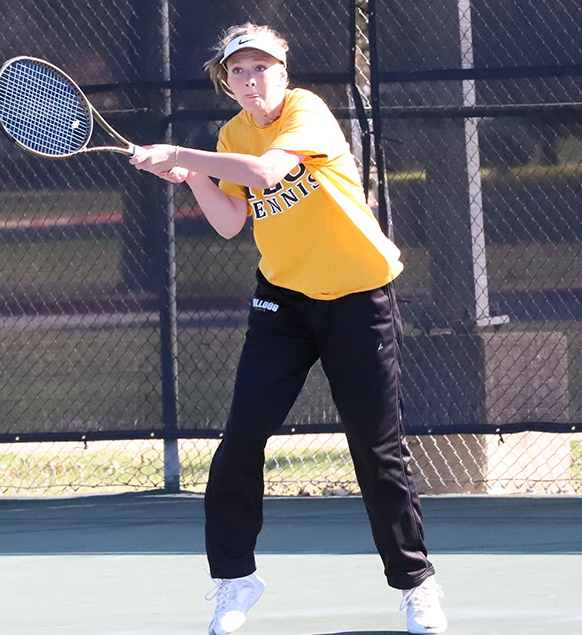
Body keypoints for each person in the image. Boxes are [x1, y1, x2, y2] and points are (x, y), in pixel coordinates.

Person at [129, 24, 446, 635]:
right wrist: (192, 177)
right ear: (226, 80)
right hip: (284, 303)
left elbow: (268, 173)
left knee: (378, 452)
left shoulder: (309, 112)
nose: (253, 81)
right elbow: (228, 223)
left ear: (283, 70)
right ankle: (234, 580)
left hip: (359, 299)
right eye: (239, 72)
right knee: (239, 441)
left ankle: (417, 586)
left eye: (262, 68)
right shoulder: (230, 133)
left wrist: (183, 155)